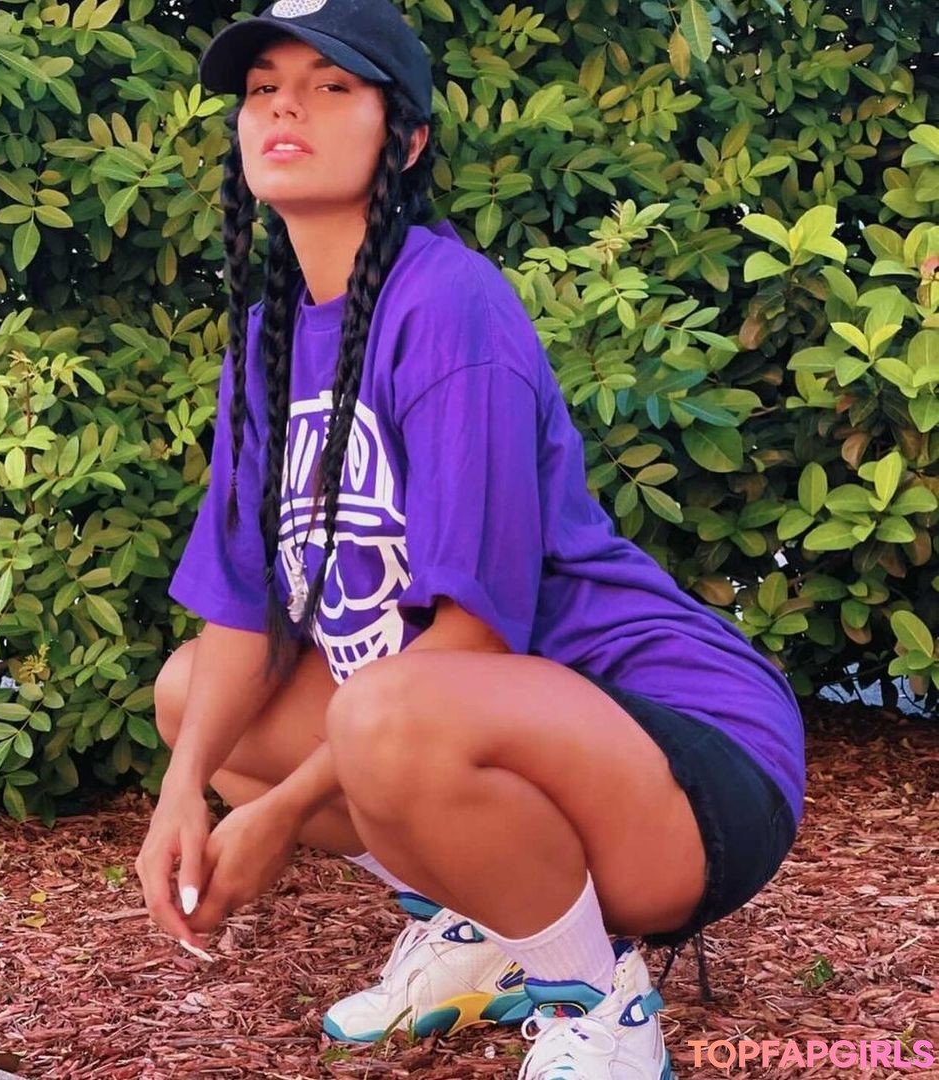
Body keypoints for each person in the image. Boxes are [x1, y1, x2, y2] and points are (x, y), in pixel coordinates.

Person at [135, 1, 805, 1076]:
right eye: (263, 89)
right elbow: (243, 613)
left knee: (384, 711)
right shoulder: (267, 342)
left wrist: (281, 815)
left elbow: (476, 642)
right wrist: (182, 791)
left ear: (405, 141)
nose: (284, 108)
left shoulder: (449, 306)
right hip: (488, 733)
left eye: (330, 86)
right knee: (192, 704)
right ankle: (487, 930)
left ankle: (601, 1005)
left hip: (689, 761)